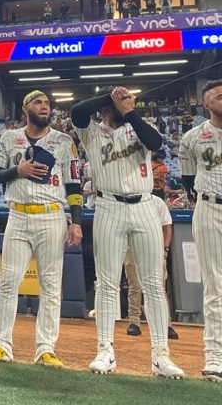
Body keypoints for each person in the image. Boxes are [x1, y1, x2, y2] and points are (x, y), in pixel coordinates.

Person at [72, 88, 184, 377]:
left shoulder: (139, 127)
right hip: (109, 205)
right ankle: (105, 350)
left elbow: (155, 142)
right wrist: (110, 97)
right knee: (106, 282)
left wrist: (129, 111)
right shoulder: (93, 133)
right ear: (106, 106)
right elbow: (78, 112)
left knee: (154, 284)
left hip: (146, 205)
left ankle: (161, 355)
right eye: (115, 104)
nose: (121, 106)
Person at [0, 91, 82, 367]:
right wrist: (18, 170)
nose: (44, 106)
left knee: (50, 285)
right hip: (18, 213)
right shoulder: (8, 137)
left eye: (47, 103)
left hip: (52, 215)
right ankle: (1, 344)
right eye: (38, 103)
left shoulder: (63, 141)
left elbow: (73, 184)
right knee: (9, 281)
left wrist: (77, 221)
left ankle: (46, 348)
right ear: (26, 108)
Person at [179, 80, 222, 381]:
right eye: (220, 96)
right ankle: (215, 356)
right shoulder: (193, 137)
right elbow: (187, 180)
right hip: (210, 208)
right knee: (215, 286)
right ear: (206, 104)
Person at [124, 196, 179, 340]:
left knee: (159, 287)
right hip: (132, 247)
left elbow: (167, 225)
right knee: (135, 286)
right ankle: (134, 322)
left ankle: (165, 324)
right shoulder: (126, 201)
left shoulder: (157, 202)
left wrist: (165, 248)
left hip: (155, 247)